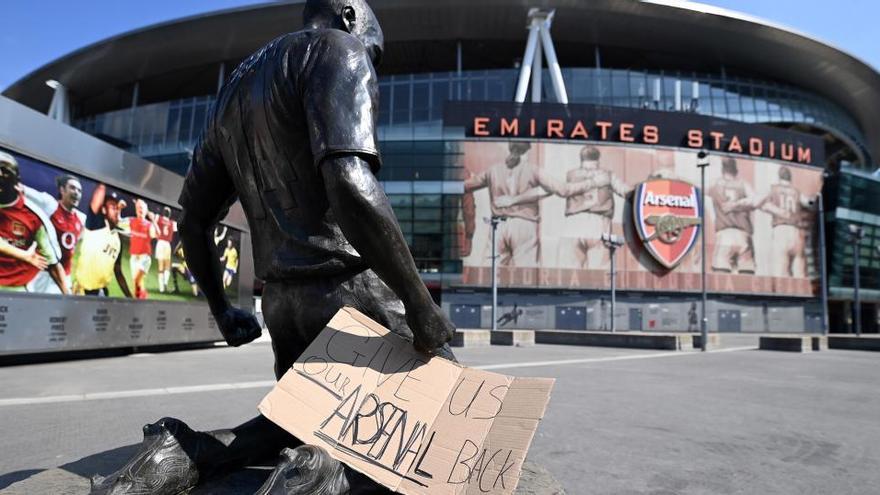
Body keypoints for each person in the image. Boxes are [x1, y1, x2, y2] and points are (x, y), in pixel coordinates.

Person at [93, 2, 455, 493]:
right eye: (376, 50)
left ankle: (182, 451)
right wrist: (418, 301)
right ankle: (318, 476)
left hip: (284, 301)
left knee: (294, 420)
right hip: (349, 290)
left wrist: (224, 311)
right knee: (447, 416)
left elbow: (194, 220)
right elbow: (348, 179)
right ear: (350, 15)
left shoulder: (235, 89)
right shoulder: (337, 49)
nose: (372, 61)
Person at [464, 142, 593, 267]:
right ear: (527, 151)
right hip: (524, 225)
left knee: (489, 275)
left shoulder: (493, 170)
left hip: (497, 226)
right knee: (525, 276)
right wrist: (590, 183)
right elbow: (563, 190)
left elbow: (465, 186)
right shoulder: (533, 170)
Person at [0, 152, 67, 294]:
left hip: (15, 289)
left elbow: (53, 264)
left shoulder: (34, 217)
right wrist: (25, 255)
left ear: (17, 180)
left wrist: (69, 298)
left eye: (5, 171)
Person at [555, 146, 630, 269]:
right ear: (598, 159)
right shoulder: (608, 175)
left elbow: (561, 190)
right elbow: (626, 191)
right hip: (599, 223)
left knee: (569, 274)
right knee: (599, 276)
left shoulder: (571, 174)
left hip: (573, 223)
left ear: (581, 159)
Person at [73, 184, 132, 297]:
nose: (116, 210)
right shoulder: (95, 225)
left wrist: (130, 297)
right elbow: (99, 192)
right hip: (83, 293)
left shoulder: (117, 239)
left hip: (102, 292)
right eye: (113, 207)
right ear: (104, 210)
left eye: (117, 208)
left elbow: (118, 271)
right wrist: (106, 179)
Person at [758, 166, 813, 277]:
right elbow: (809, 203)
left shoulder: (773, 188)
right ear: (790, 178)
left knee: (780, 272)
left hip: (780, 230)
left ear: (779, 176)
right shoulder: (796, 192)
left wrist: (774, 209)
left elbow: (759, 202)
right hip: (795, 231)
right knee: (799, 272)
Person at [708, 157, 757, 274]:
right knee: (746, 276)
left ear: (722, 169)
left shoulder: (715, 183)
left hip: (725, 235)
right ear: (736, 169)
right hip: (743, 235)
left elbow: (697, 186)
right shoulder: (743, 184)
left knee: (721, 277)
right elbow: (755, 200)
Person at [126, 199, 158, 299]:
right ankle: (142, 300)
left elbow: (157, 234)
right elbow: (118, 224)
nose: (140, 209)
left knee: (136, 280)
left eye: (142, 208)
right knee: (138, 285)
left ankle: (138, 301)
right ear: (136, 210)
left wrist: (153, 220)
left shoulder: (149, 225)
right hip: (133, 258)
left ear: (146, 211)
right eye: (138, 207)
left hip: (144, 258)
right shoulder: (131, 221)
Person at [155, 206, 176, 293]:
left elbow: (152, 217)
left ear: (163, 212)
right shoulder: (172, 223)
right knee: (167, 265)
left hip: (160, 243)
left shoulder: (158, 218)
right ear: (169, 214)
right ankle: (165, 284)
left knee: (160, 266)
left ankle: (161, 288)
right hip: (167, 244)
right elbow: (177, 229)